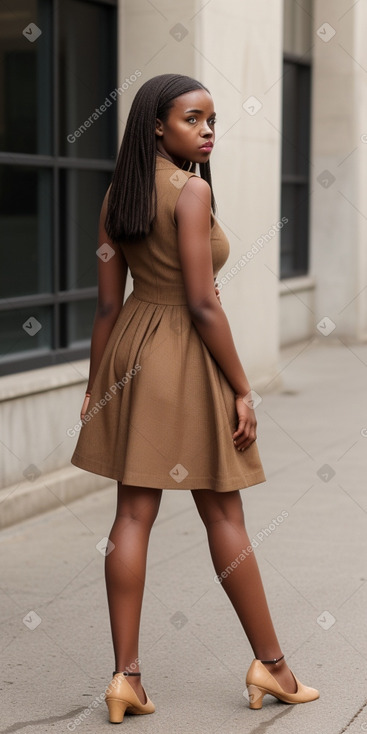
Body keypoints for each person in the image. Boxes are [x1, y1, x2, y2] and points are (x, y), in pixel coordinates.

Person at [71, 73, 319, 723]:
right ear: (157, 124)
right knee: (224, 518)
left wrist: (97, 384)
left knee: (131, 516)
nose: (208, 129)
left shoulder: (116, 196)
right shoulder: (190, 192)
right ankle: (271, 665)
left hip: (129, 349)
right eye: (193, 118)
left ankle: (126, 678)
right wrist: (243, 387)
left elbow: (104, 306)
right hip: (182, 357)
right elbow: (202, 303)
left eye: (212, 118)